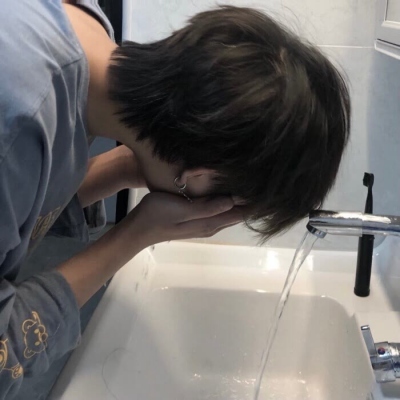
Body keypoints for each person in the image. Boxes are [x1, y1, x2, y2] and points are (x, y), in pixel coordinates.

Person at [0, 0, 350, 397]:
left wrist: (125, 168)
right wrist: (135, 235)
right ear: (200, 176)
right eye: (230, 205)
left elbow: (19, 207)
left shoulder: (83, 34)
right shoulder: (18, 119)